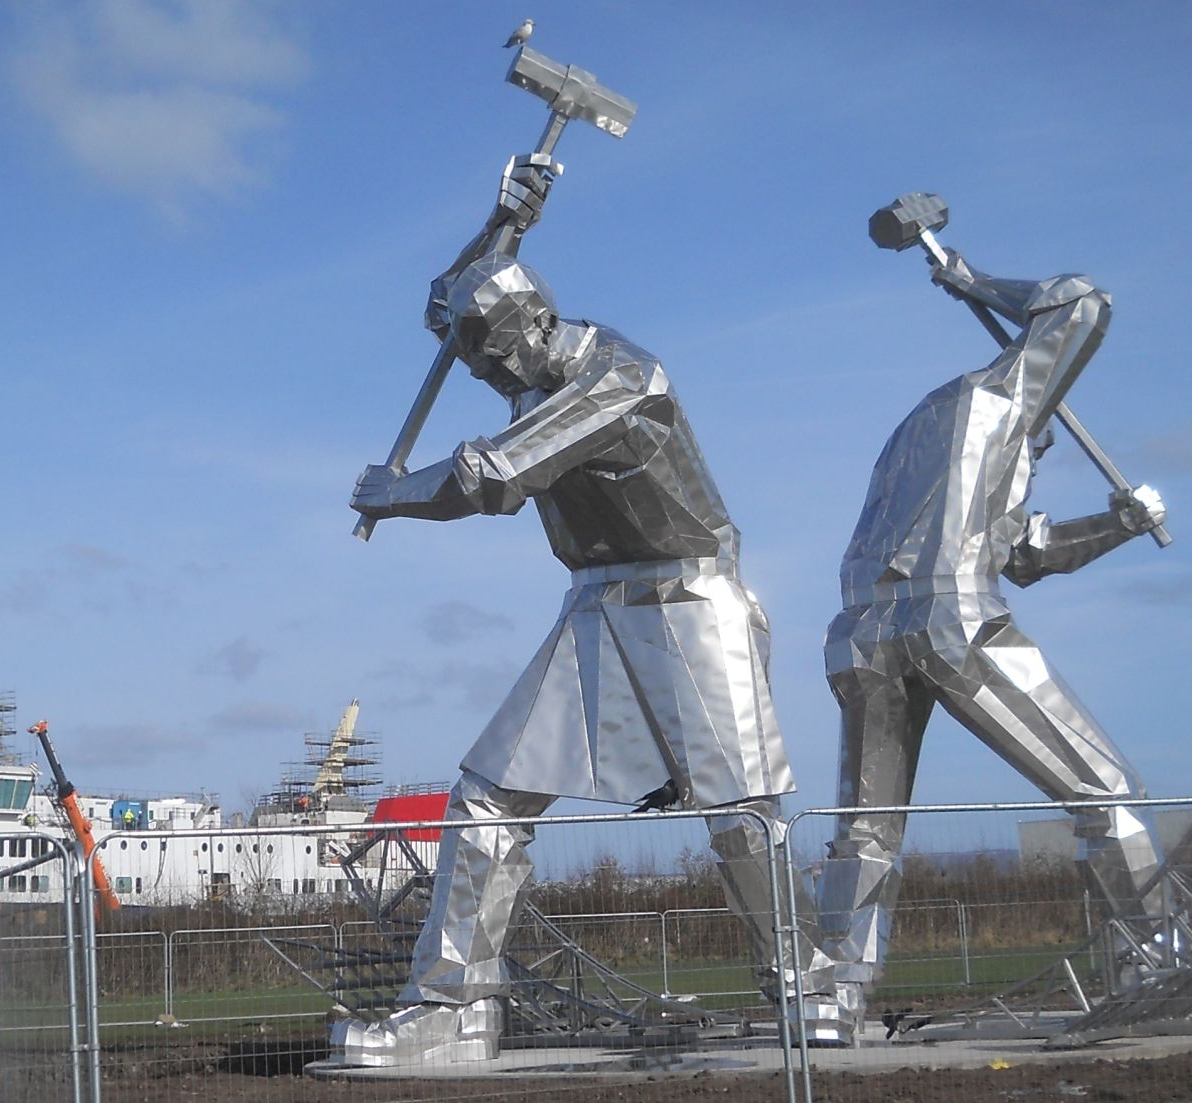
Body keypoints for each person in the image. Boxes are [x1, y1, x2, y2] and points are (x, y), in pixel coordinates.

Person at [341, 171, 838, 1065]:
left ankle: (811, 985)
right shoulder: (522, 362)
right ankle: (451, 1010)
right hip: (598, 603)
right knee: (485, 797)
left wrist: (395, 492)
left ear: (535, 324)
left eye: (494, 356)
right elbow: (440, 308)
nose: (489, 375)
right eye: (478, 362)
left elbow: (491, 477)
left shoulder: (620, 378)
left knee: (739, 813)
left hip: (688, 597)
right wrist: (499, 224)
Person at [817, 243, 1172, 1022]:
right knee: (1107, 790)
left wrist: (1115, 524)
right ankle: (1154, 969)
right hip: (953, 617)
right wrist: (971, 279)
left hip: (862, 633)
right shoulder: (1003, 400)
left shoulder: (915, 432)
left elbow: (1026, 550)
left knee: (868, 831)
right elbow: (1082, 301)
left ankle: (829, 1000)